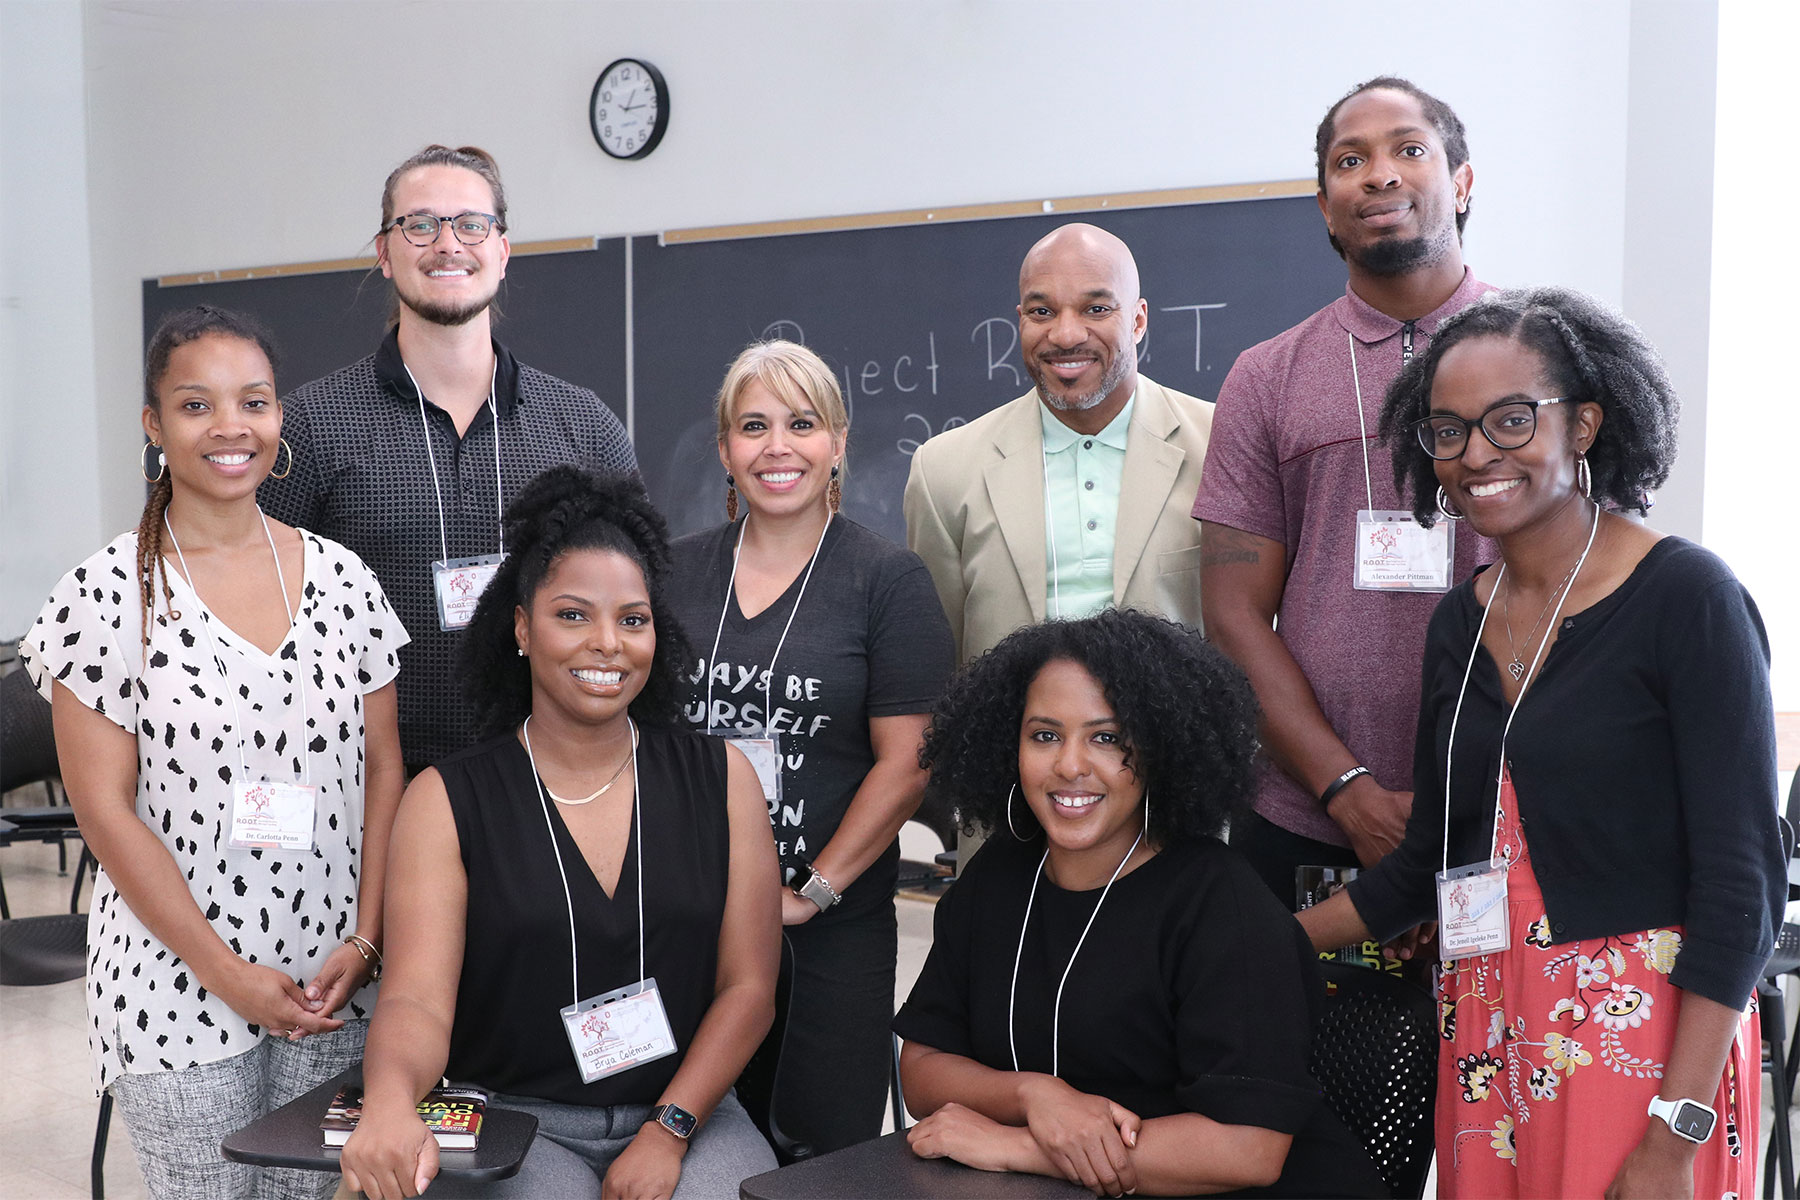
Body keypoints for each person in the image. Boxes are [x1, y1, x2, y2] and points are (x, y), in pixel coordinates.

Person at [1298, 287, 1782, 1197]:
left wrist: (1675, 1137)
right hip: (1485, 1023)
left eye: (1510, 420)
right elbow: (1424, 867)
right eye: (1447, 430)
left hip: (1639, 1040)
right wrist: (1256, 942)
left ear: (1585, 425)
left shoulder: (1688, 599)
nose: (1476, 453)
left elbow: (1743, 885)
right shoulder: (1460, 625)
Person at [20, 306, 408, 1199]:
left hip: (329, 976)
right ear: (155, 426)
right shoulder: (105, 595)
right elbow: (104, 812)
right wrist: (226, 974)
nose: (232, 428)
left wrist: (368, 937)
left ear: (280, 419)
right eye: (197, 406)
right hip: (175, 982)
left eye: (255, 402)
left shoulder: (345, 579)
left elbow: (384, 767)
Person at [340, 467, 780, 1200]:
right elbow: (415, 1000)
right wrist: (388, 1102)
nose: (607, 643)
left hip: (689, 1113)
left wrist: (667, 1131)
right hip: (517, 1119)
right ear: (521, 627)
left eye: (632, 620)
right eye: (573, 615)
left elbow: (749, 989)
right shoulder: (446, 799)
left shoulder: (722, 778)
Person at [893, 610, 1385, 1199]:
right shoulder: (999, 874)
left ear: (1161, 750)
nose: (1070, 765)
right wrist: (1035, 1096)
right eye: (1044, 735)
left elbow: (1249, 1149)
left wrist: (1022, 1148)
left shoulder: (1220, 903)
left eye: (1107, 738)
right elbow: (922, 1067)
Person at [1193, 77, 1497, 909]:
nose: (1378, 174)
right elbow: (1233, 616)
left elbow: (1599, 590)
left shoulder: (1542, 351)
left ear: (1462, 182)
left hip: (1509, 811)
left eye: (1409, 149)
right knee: (1294, 1037)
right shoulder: (1265, 377)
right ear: (1326, 208)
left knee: (1493, 1041)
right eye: (1349, 160)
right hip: (1305, 813)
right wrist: (1346, 789)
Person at [261, 144, 637, 775]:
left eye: (470, 224)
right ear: (385, 252)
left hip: (549, 781)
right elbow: (256, 610)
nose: (447, 244)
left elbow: (634, 609)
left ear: (502, 251)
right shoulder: (309, 426)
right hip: (371, 786)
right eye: (420, 224)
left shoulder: (583, 426)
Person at [664, 341, 954, 1154]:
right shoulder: (673, 576)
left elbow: (909, 762)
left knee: (824, 1156)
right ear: (725, 449)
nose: (777, 447)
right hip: (690, 924)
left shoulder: (887, 580)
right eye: (753, 427)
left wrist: (812, 892)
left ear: (836, 442)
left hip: (830, 928)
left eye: (801, 423)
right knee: (692, 1143)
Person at [904, 222, 1213, 665]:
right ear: (1020, 321)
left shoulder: (1222, 445)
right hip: (1008, 732)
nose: (1066, 335)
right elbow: (937, 658)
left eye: (1097, 309)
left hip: (1177, 733)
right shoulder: (943, 471)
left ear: (1139, 321)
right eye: (1042, 312)